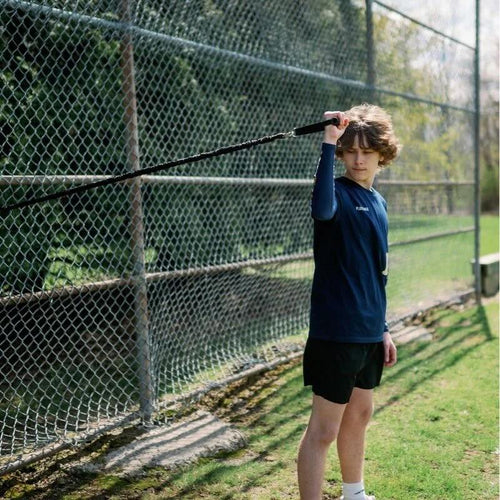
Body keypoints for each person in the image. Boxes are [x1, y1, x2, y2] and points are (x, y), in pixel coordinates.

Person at [297, 104, 401, 500]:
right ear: (342, 153)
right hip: (336, 332)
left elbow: (379, 272)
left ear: (381, 155)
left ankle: (353, 494)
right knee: (323, 430)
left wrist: (384, 329)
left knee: (359, 415)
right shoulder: (336, 193)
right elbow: (321, 209)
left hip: (368, 333)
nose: (358, 160)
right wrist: (327, 142)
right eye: (350, 151)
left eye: (366, 152)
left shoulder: (379, 203)